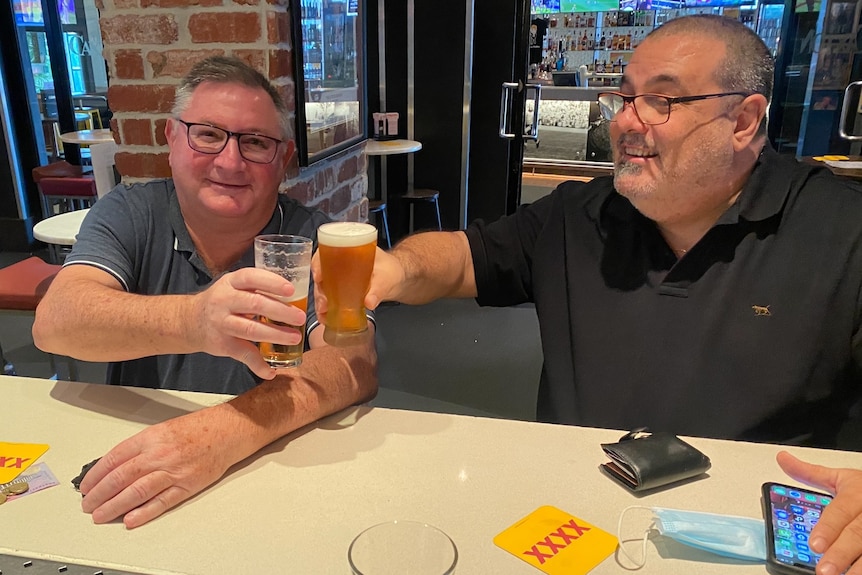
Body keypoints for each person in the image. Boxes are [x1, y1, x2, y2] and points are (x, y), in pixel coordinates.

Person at [313, 15, 862, 575]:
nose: (627, 121)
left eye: (661, 101)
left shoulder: (842, 234)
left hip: (757, 548)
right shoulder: (579, 215)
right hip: (573, 532)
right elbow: (463, 258)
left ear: (744, 119)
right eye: (624, 98)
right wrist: (397, 267)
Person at [32, 56, 376, 529]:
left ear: (283, 159)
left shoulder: (312, 238)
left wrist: (221, 434)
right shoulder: (131, 212)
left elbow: (355, 362)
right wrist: (195, 321)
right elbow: (55, 324)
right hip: (139, 474)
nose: (230, 161)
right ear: (172, 139)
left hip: (275, 479)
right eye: (208, 134)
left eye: (256, 142)